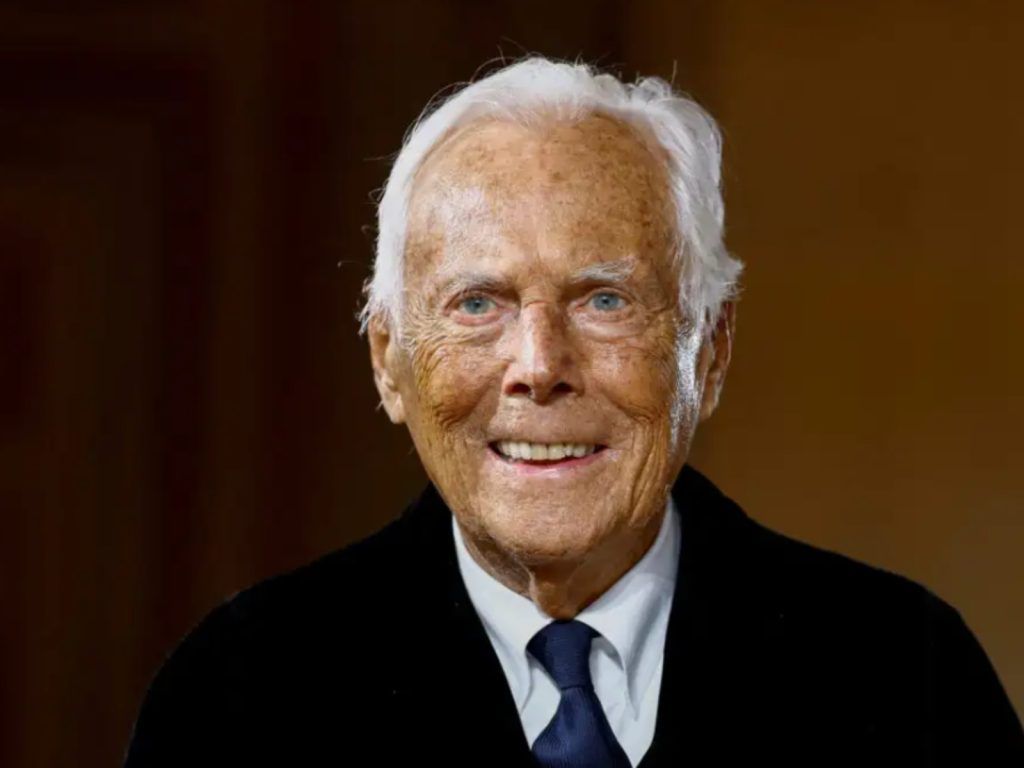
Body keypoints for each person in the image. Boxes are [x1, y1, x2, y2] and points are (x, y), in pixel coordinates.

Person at [123, 56, 1024, 767]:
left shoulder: (907, 678)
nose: (540, 366)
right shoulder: (237, 698)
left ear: (710, 350)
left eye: (604, 300)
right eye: (478, 303)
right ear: (387, 361)